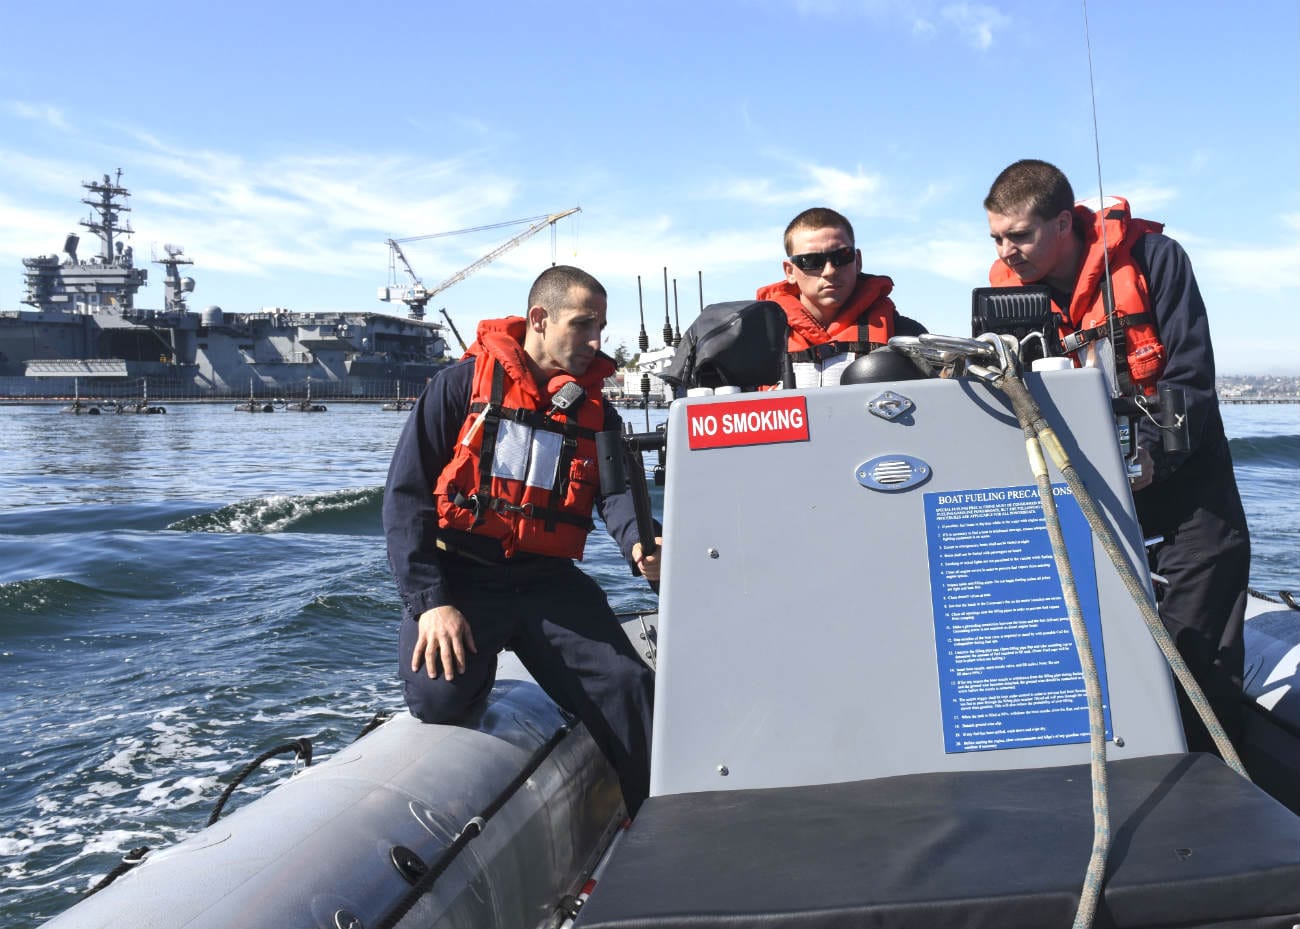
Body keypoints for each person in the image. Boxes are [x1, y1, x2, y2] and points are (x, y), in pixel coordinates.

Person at [983, 158, 1251, 753]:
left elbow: (1189, 372)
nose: (1008, 252)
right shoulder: (1003, 297)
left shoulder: (1156, 260)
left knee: (1201, 646)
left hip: (1186, 486)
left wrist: (1153, 455)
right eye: (998, 238)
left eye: (1020, 236)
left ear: (1061, 223)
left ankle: (1211, 776)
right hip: (1085, 488)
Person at [382, 265, 659, 816]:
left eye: (601, 326)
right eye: (583, 325)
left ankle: (655, 820)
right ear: (539, 318)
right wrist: (431, 604)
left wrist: (637, 543)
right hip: (461, 578)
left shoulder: (596, 407)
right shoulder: (458, 387)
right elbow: (406, 497)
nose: (596, 341)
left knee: (630, 685)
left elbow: (618, 493)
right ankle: (483, 663)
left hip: (546, 582)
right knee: (440, 700)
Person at [756, 207, 927, 388]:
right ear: (789, 271)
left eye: (842, 256)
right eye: (811, 261)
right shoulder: (757, 341)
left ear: (858, 261)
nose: (830, 271)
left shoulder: (905, 337)